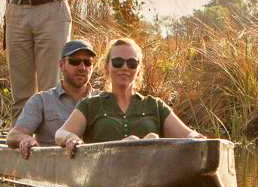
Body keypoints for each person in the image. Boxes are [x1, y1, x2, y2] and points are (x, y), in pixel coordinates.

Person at [54, 38, 202, 157]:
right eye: (118, 62)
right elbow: (61, 133)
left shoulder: (155, 105)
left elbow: (189, 136)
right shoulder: (91, 105)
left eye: (131, 63)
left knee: (152, 137)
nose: (124, 68)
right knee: (134, 141)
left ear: (139, 70)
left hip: (150, 174)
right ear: (107, 67)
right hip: (107, 174)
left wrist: (201, 139)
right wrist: (70, 138)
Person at [6, 40, 98, 158]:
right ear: (61, 65)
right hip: (51, 169)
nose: (82, 67)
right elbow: (14, 134)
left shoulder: (103, 100)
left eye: (87, 62)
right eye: (74, 62)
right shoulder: (41, 100)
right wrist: (25, 139)